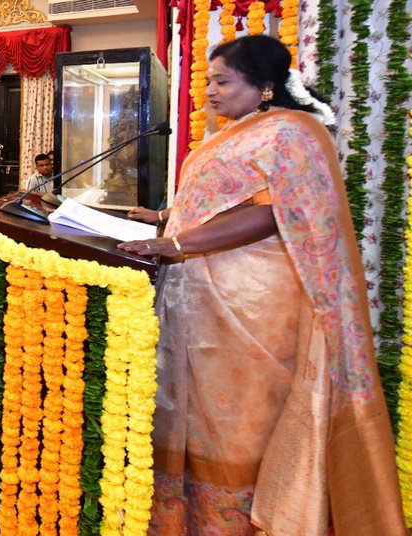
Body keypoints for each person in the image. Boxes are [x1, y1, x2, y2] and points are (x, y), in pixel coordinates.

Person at [117, 36, 402, 534]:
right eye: (210, 81)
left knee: (233, 424)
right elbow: (224, 200)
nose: (211, 92)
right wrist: (164, 218)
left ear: (265, 86)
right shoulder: (242, 130)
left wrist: (178, 245)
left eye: (223, 81)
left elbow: (273, 213)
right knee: (187, 414)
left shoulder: (291, 132)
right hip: (199, 296)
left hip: (249, 307)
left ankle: (234, 522)